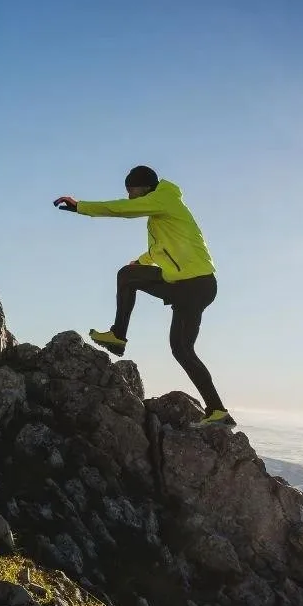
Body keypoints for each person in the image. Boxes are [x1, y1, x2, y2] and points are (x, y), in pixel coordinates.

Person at [54, 166, 232, 426]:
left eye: (131, 191)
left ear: (145, 187)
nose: (129, 197)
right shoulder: (163, 208)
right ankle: (219, 412)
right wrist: (141, 260)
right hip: (197, 285)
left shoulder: (164, 199)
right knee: (182, 350)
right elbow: (167, 247)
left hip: (192, 284)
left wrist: (81, 206)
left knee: (126, 276)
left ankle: (118, 335)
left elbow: (121, 211)